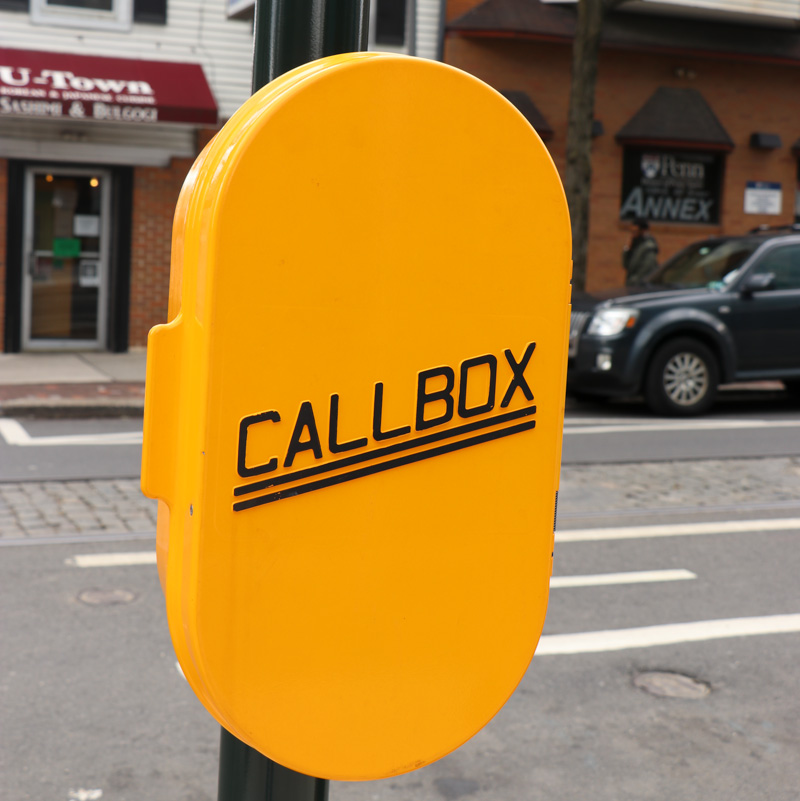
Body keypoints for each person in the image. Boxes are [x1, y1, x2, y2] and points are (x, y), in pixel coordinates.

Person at [622, 217, 659, 285]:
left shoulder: (648, 248)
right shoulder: (636, 246)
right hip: (633, 287)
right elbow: (626, 265)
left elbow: (645, 271)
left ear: (643, 231)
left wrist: (631, 283)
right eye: (631, 231)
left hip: (640, 288)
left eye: (635, 231)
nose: (632, 235)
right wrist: (627, 249)